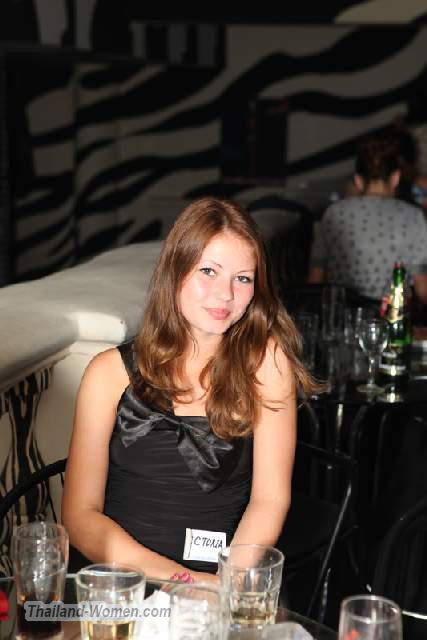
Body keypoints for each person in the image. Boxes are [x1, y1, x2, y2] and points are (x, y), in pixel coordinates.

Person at [62, 197, 318, 582]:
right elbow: (80, 516)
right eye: (208, 271)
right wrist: (185, 583)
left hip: (221, 580)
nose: (225, 294)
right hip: (121, 585)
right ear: (175, 271)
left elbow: (269, 500)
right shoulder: (108, 374)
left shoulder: (267, 363)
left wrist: (226, 585)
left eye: (243, 278)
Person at [308, 133, 427, 305]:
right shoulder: (413, 217)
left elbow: (314, 281)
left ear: (358, 180)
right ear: (395, 178)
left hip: (343, 315)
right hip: (391, 316)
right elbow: (423, 289)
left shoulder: (333, 213)